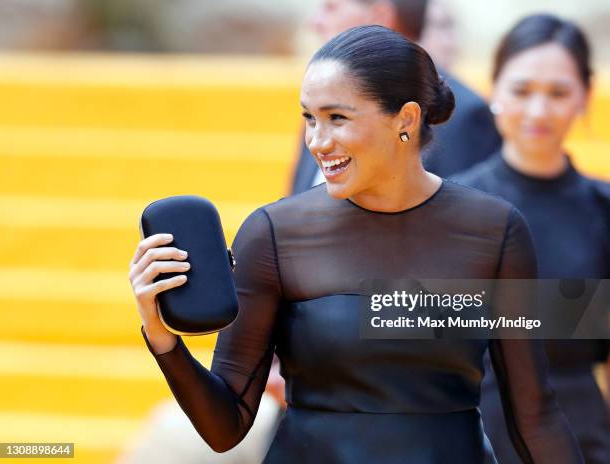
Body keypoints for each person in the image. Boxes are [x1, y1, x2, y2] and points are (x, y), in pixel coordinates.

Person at [129, 25, 583, 463]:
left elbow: (534, 416)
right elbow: (225, 428)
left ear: (405, 119)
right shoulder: (273, 233)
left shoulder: (495, 230)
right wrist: (162, 338)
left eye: (337, 118)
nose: (317, 142)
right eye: (309, 117)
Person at [453, 14, 610, 464]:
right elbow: (400, 315)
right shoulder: (448, 205)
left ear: (585, 96)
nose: (538, 111)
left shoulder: (603, 207)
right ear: (495, 89)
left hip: (582, 440)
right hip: (469, 439)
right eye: (522, 91)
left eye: (558, 93)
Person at [290, 0, 500, 194]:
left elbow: (459, 219)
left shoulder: (464, 113)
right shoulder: (319, 99)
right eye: (311, 117)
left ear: (379, 15)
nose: (314, 23)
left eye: (331, 7)